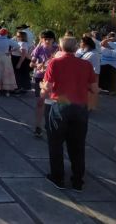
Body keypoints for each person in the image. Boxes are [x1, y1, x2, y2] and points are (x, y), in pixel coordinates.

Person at [41, 36, 98, 191]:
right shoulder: (86, 64)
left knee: (56, 142)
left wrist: (42, 88)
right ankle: (77, 180)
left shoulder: (55, 63)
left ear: (60, 48)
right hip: (80, 106)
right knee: (78, 145)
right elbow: (94, 88)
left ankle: (58, 178)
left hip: (61, 103)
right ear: (76, 48)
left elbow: (48, 86)